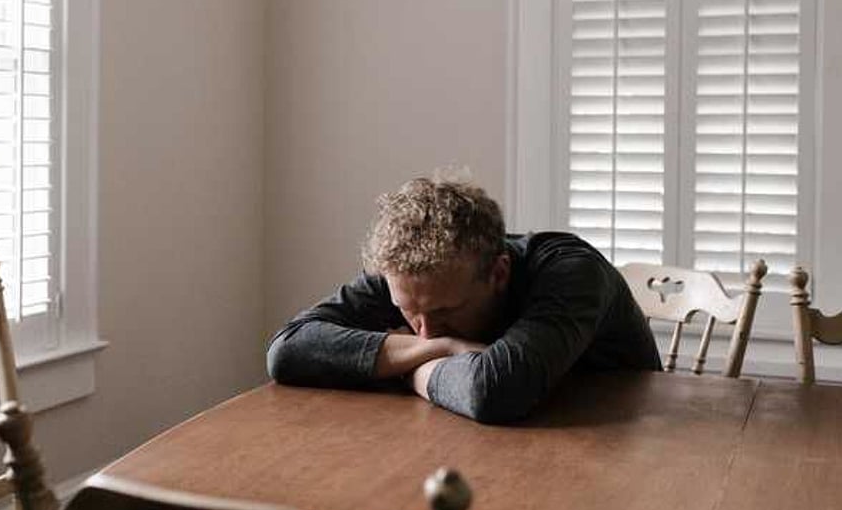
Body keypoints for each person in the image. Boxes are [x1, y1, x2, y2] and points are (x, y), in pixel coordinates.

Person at [266, 175, 660, 424]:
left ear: (499, 273)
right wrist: (444, 348)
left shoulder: (571, 272)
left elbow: (494, 391)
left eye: (445, 312)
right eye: (408, 312)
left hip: (630, 446)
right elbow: (287, 350)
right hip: (490, 441)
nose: (425, 330)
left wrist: (406, 368)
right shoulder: (409, 276)